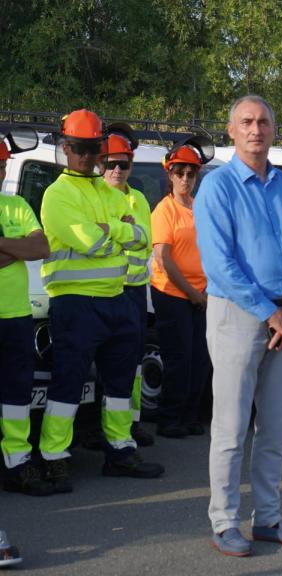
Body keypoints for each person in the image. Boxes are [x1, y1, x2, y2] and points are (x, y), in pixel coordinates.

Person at [195, 95, 282, 556]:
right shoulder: (218, 187)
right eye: (246, 121)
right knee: (230, 428)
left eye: (263, 121)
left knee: (275, 426)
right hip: (238, 315)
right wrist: (272, 313)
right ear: (231, 131)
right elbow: (220, 264)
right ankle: (225, 521)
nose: (255, 129)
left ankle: (267, 517)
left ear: (273, 130)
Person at [39, 109, 163, 491]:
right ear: (65, 147)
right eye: (79, 148)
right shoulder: (57, 194)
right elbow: (91, 242)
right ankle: (54, 458)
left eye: (93, 149)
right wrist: (118, 233)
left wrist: (112, 232)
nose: (86, 156)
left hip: (117, 299)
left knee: (121, 384)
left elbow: (142, 237)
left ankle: (120, 451)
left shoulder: (107, 192)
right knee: (68, 383)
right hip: (75, 304)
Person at [150, 135, 214, 438]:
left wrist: (206, 290)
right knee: (179, 358)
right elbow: (163, 258)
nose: (186, 178)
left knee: (200, 358)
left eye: (191, 173)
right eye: (180, 172)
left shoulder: (200, 208)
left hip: (202, 293)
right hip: (172, 293)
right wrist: (192, 293)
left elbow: (213, 250)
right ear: (170, 175)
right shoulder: (164, 210)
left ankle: (190, 415)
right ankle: (169, 418)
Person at [1, 129, 53, 497]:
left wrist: (4, 245)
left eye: (0, 166)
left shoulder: (16, 205)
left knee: (16, 393)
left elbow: (41, 247)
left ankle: (17, 463)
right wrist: (16, 248)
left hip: (17, 316)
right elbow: (27, 248)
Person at [99, 124, 154, 448]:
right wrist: (127, 232)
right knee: (105, 363)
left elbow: (145, 243)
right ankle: (100, 427)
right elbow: (98, 239)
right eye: (111, 163)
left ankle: (130, 422)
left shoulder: (140, 199)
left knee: (132, 363)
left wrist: (124, 232)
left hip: (135, 292)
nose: (117, 170)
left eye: (124, 164)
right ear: (101, 164)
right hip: (107, 289)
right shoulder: (96, 197)